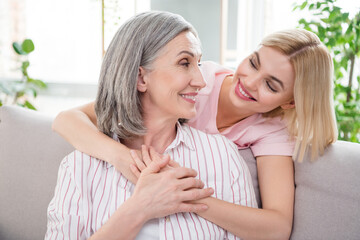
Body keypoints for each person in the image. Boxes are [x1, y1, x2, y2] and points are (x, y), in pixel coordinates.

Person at [53, 23, 338, 239]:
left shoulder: (265, 133)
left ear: (289, 102)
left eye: (271, 85)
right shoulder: (195, 87)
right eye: (253, 62)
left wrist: (182, 195)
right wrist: (123, 159)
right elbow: (68, 119)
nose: (250, 82)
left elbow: (276, 225)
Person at [45, 11, 256, 240]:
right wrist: (140, 207)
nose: (201, 81)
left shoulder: (221, 154)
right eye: (184, 63)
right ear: (141, 78)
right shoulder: (80, 166)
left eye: (199, 63)